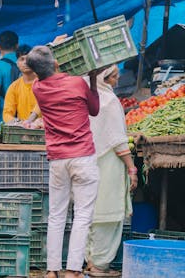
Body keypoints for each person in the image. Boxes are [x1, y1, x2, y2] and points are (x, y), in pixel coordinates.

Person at [26, 45, 101, 278]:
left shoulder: (37, 88)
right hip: (83, 156)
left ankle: (51, 270)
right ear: (56, 63)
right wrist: (94, 80)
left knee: (57, 215)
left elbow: (45, 67)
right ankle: (73, 270)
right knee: (82, 215)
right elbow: (95, 110)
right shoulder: (77, 83)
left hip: (57, 159)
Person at [84, 65, 138, 277]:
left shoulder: (87, 99)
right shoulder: (109, 102)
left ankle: (90, 261)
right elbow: (118, 142)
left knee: (92, 215)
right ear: (104, 79)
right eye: (114, 78)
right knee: (108, 214)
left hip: (89, 161)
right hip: (108, 164)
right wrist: (131, 167)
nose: (116, 82)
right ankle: (99, 265)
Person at [2, 45, 40, 123]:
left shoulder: (44, 82)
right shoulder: (14, 87)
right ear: (17, 63)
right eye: (22, 59)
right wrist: (14, 121)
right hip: (23, 131)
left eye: (28, 59)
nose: (25, 62)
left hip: (44, 129)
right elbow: (7, 113)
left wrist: (30, 120)